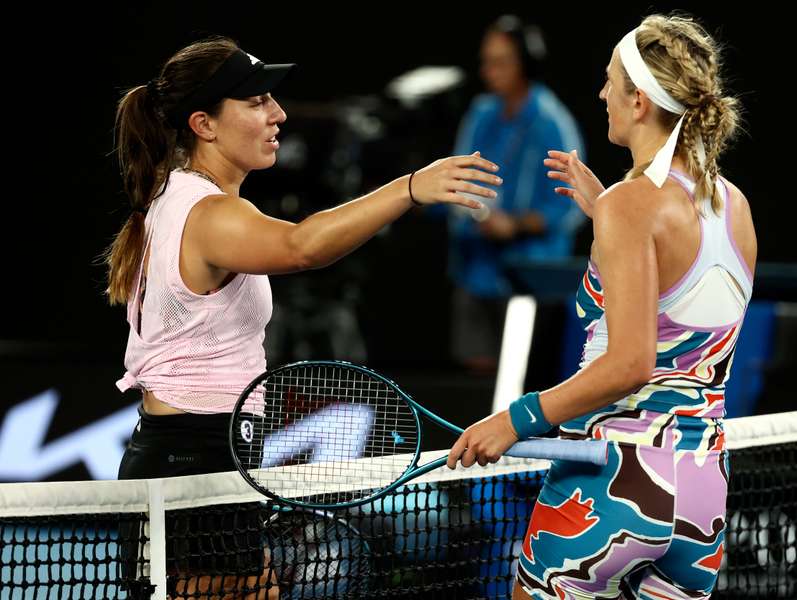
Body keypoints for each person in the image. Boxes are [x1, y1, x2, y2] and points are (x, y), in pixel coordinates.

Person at [104, 36, 499, 599]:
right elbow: (302, 247)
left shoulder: (182, 198)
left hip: (202, 455)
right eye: (257, 102)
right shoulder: (209, 213)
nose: (278, 114)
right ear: (205, 124)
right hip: (192, 461)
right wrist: (410, 188)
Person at [448, 13, 756, 600]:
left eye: (610, 80)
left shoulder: (630, 206)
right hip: (702, 492)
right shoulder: (733, 204)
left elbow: (632, 365)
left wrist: (514, 419)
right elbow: (683, 317)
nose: (601, 93)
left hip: (615, 482)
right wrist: (606, 219)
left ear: (638, 100)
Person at [449, 15, 585, 372]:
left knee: (525, 381)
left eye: (499, 62)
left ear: (526, 64)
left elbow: (571, 206)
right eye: (486, 62)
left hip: (531, 280)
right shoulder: (480, 114)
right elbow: (458, 177)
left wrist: (515, 225)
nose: (488, 71)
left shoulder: (551, 121)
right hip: (477, 270)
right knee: (476, 389)